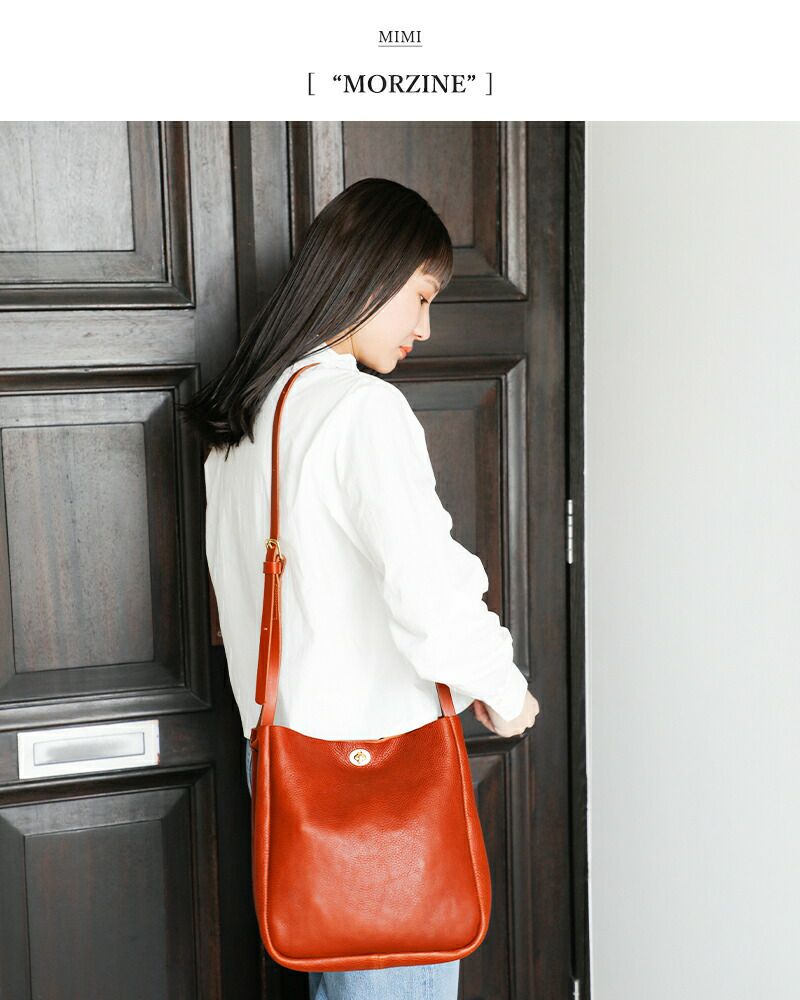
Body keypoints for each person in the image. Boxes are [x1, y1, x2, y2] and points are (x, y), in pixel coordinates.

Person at [181, 177, 540, 1000]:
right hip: (377, 777)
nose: (424, 327)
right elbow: (428, 594)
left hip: (283, 765)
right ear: (366, 276)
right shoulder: (360, 411)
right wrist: (504, 690)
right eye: (420, 297)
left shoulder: (244, 424)